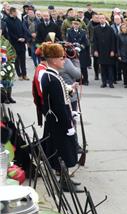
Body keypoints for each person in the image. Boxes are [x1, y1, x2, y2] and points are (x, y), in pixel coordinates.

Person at [37, 42, 79, 189]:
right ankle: (64, 182)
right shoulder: (52, 78)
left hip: (56, 119)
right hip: (58, 122)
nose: (64, 60)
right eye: (61, 58)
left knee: (62, 150)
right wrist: (68, 123)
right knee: (63, 151)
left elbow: (60, 98)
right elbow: (59, 105)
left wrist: (70, 110)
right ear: (54, 60)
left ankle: (65, 178)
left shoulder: (53, 76)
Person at [91, 13, 116, 88]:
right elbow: (94, 41)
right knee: (102, 68)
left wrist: (112, 50)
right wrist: (95, 50)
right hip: (100, 51)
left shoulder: (110, 29)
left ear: (105, 19)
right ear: (99, 20)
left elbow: (113, 40)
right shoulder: (96, 29)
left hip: (109, 51)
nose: (101, 19)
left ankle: (111, 83)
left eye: (103, 18)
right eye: (100, 18)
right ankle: (104, 82)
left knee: (110, 68)